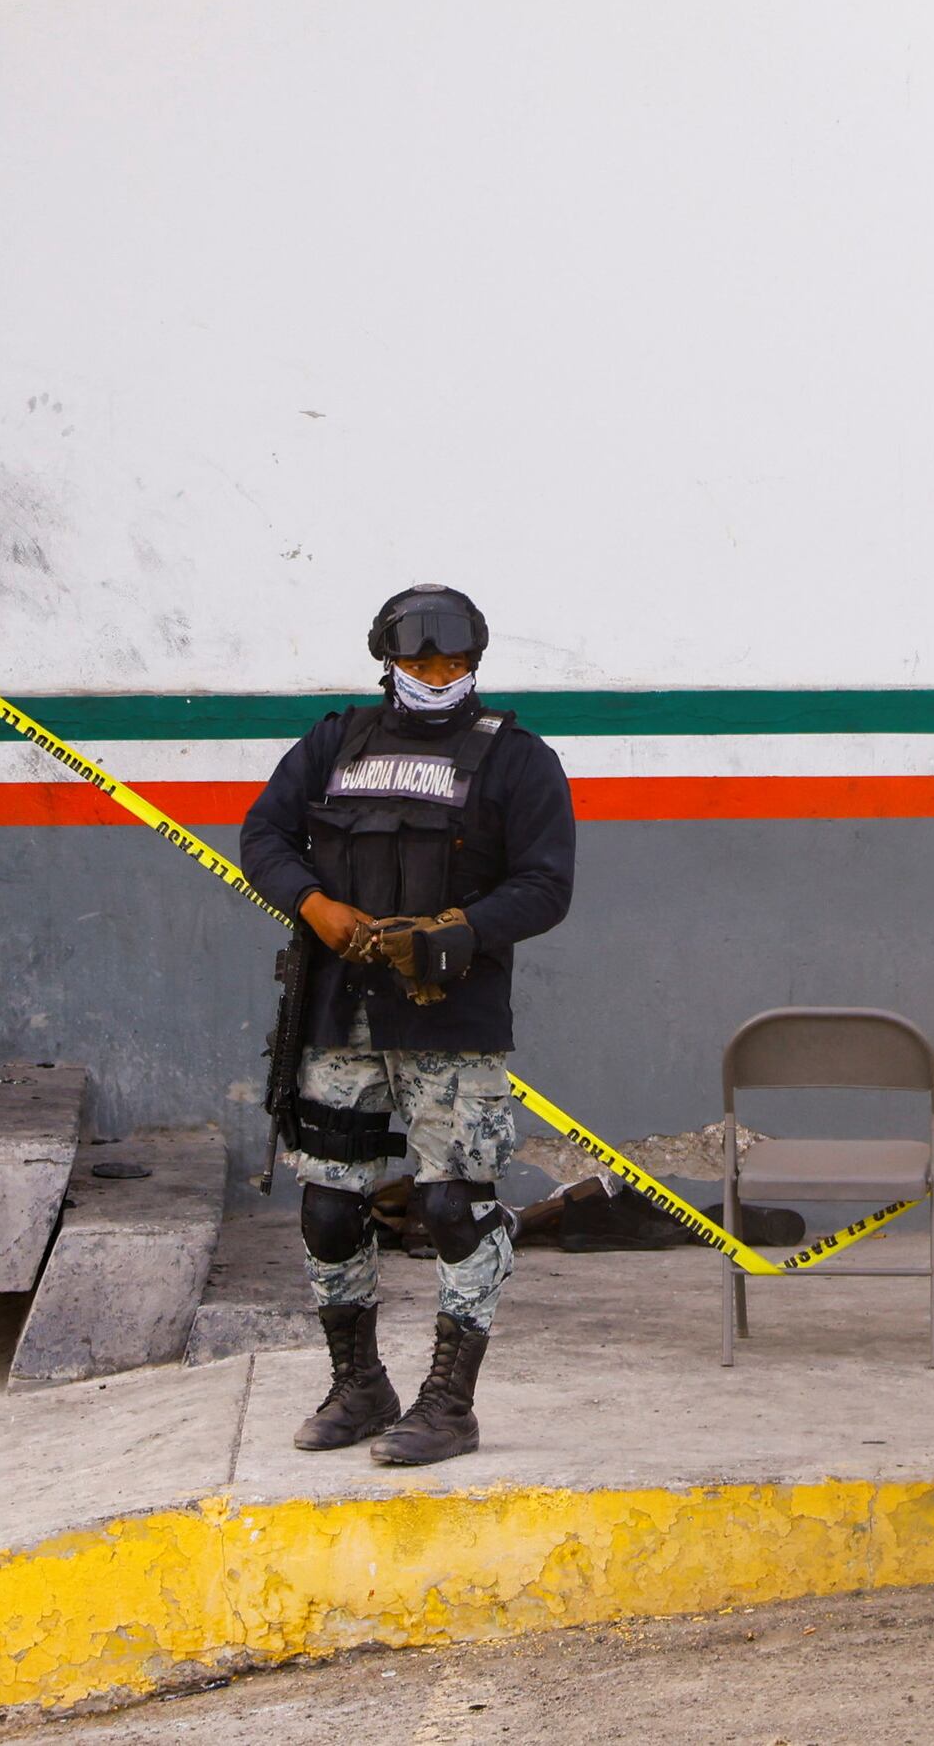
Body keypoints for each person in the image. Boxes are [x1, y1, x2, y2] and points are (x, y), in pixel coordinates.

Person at [236, 582, 577, 1467]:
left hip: (452, 1023)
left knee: (453, 1206)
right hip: (339, 1016)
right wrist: (314, 907)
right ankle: (358, 1386)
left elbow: (546, 885)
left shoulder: (517, 760)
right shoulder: (333, 741)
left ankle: (448, 1404)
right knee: (326, 1207)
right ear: (387, 660)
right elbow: (264, 836)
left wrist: (458, 933)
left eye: (454, 661)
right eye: (420, 660)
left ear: (475, 663)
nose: (437, 674)